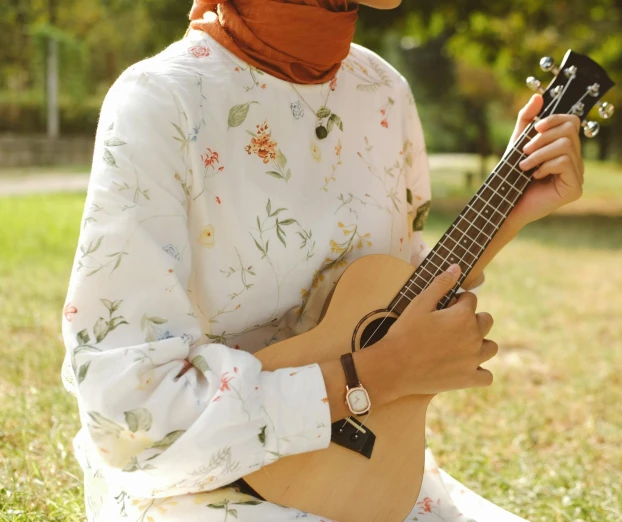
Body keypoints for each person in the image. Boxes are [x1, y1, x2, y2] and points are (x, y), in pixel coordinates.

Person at [60, 0, 584, 520]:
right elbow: (132, 422)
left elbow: (390, 296)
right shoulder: (159, 100)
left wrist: (509, 209)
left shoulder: (383, 90)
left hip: (357, 476)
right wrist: (380, 374)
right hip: (195, 490)